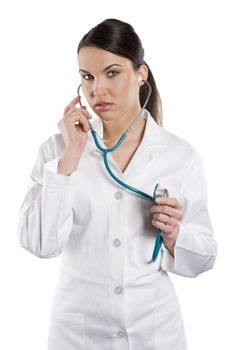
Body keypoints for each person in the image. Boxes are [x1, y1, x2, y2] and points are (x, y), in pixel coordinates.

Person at [18, 18, 217, 350]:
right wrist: (71, 158)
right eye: (87, 77)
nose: (98, 90)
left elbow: (205, 257)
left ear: (141, 73)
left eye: (112, 73)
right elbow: (40, 243)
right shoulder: (57, 150)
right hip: (77, 334)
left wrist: (174, 234)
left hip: (154, 333)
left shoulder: (180, 156)